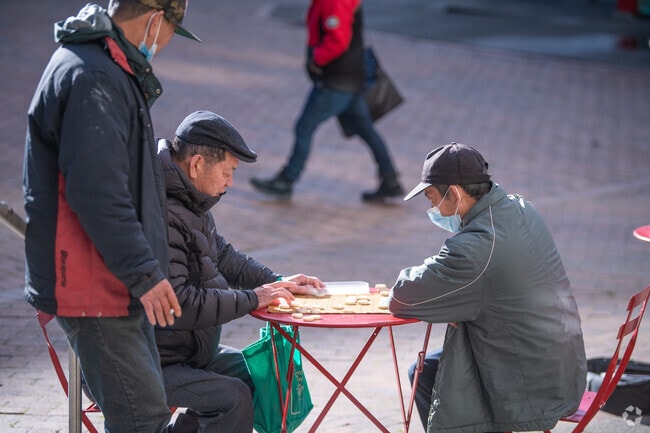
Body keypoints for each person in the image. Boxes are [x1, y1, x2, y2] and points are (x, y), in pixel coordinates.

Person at [23, 1, 199, 432]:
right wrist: (145, 273)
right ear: (156, 19)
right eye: (174, 30)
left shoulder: (104, 67)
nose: (169, 43)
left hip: (111, 283)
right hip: (92, 286)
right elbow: (98, 192)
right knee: (143, 421)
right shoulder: (94, 75)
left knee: (143, 415)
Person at [389, 143, 587, 433]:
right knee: (427, 369)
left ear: (454, 193)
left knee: (428, 375)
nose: (432, 209)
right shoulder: (520, 208)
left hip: (527, 382)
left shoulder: (475, 247)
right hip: (559, 364)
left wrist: (459, 298)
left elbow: (402, 296)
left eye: (432, 199)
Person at [156, 110, 327, 433]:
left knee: (261, 376)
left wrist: (277, 282)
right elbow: (179, 302)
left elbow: (223, 255)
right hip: (156, 361)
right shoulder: (163, 212)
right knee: (232, 396)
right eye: (228, 172)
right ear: (196, 165)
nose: (230, 183)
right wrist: (252, 299)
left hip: (188, 351)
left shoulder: (191, 199)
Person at [250, 0, 404, 202]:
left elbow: (338, 40)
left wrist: (316, 60)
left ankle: (286, 180)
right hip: (351, 78)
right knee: (366, 129)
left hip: (337, 82)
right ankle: (390, 179)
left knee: (305, 126)